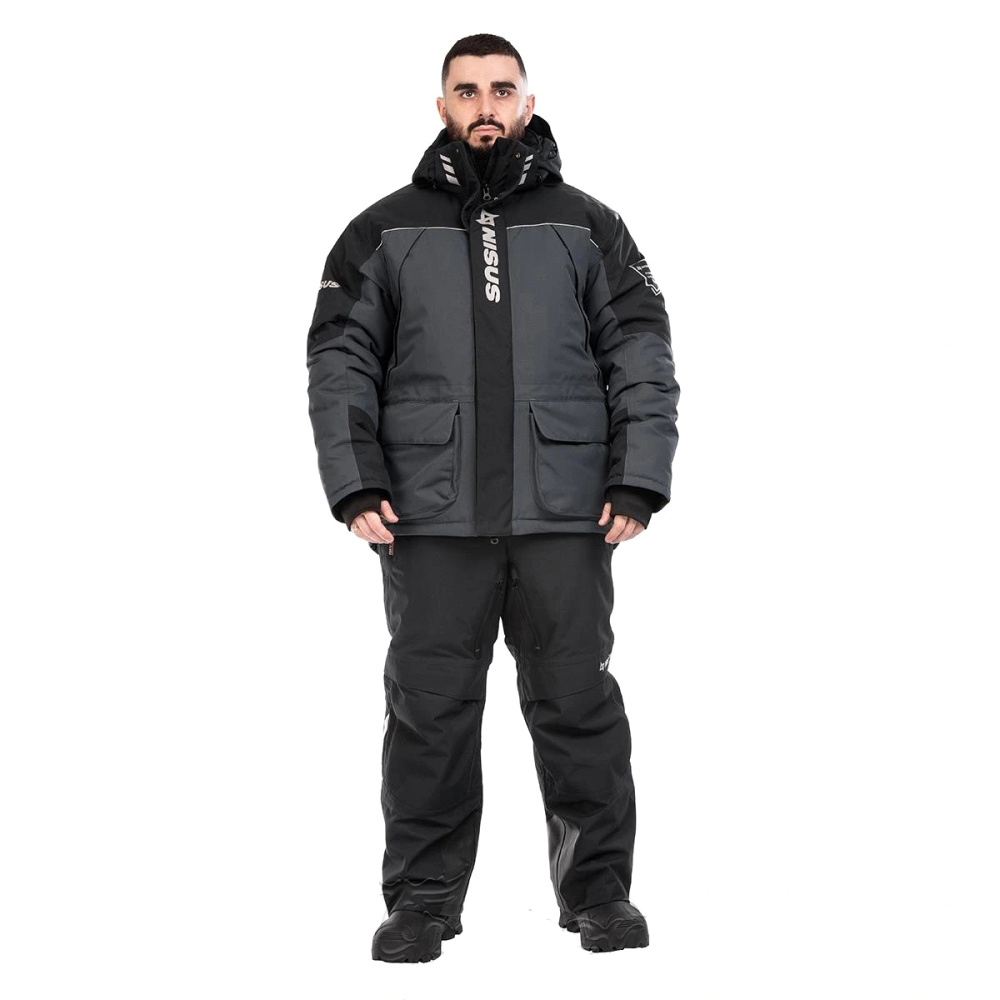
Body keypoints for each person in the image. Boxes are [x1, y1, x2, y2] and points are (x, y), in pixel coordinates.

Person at [305, 33, 679, 962]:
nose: (485, 106)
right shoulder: (382, 230)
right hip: (428, 515)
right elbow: (340, 359)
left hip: (566, 511)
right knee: (428, 713)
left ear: (526, 102)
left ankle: (599, 893)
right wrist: (356, 482)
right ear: (441, 107)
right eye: (466, 91)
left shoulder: (589, 225)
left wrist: (637, 475)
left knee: (578, 705)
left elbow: (641, 350)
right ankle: (422, 900)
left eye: (501, 90)